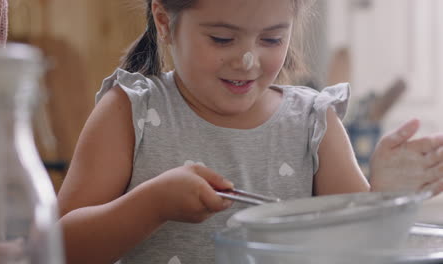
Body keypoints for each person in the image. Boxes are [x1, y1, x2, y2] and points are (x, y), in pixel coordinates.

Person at [57, 0, 443, 263]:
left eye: (272, 38)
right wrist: (151, 205)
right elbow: (59, 248)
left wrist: (387, 198)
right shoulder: (131, 112)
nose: (248, 60)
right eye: (222, 38)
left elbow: (360, 250)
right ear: (164, 21)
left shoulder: (313, 123)